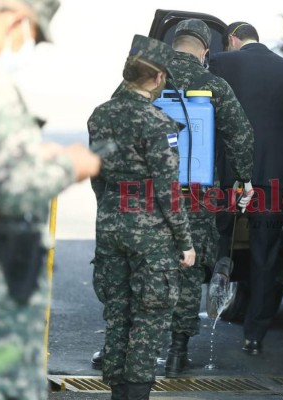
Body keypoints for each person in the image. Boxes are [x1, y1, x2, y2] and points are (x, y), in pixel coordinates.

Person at [91, 18, 255, 378]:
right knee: (187, 270)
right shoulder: (213, 84)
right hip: (195, 195)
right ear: (205, 51)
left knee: (131, 271)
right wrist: (244, 180)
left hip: (141, 196)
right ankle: (178, 352)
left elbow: (110, 134)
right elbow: (239, 137)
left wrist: (107, 193)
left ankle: (116, 348)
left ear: (173, 43)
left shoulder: (142, 78)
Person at [0, 0, 101, 399]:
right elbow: (12, 191)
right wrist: (71, 166)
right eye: (32, 36)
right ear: (17, 19)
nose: (26, 46)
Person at [87, 34, 196, 400]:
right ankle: (136, 394)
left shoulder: (100, 115)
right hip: (151, 232)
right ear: (159, 77)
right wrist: (185, 242)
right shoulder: (158, 124)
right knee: (150, 318)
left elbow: (97, 176)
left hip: (111, 221)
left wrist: (111, 209)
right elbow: (168, 192)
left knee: (118, 313)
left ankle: (118, 391)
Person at [210, 22, 283, 355]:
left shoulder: (221, 62)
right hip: (273, 175)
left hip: (227, 174)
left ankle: (205, 304)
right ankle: (254, 335)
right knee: (265, 255)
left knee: (216, 239)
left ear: (232, 40)